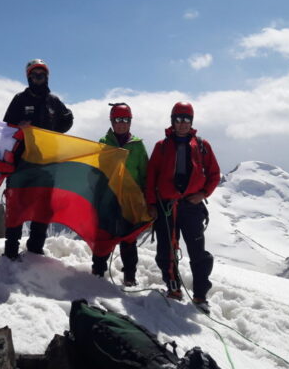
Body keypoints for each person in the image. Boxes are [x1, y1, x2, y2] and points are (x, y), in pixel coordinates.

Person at [145, 102, 220, 311]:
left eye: (186, 119)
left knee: (198, 253)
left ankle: (200, 295)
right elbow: (151, 177)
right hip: (166, 207)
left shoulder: (202, 145)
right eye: (178, 119)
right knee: (166, 250)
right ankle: (173, 288)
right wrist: (151, 204)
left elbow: (214, 174)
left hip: (191, 206)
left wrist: (203, 194)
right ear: (172, 121)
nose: (182, 123)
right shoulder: (161, 146)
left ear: (191, 121)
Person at [3, 59, 74, 259]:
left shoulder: (53, 101)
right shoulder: (19, 99)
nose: (38, 78)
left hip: (46, 164)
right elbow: (5, 127)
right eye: (34, 75)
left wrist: (54, 132)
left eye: (41, 75)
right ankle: (11, 250)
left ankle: (35, 249)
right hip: (21, 163)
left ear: (47, 77)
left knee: (43, 207)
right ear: (29, 77)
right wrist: (19, 128)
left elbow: (68, 118)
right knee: (16, 205)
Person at [91, 102, 148, 286]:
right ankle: (98, 269)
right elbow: (96, 170)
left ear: (130, 122)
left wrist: (145, 198)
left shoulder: (137, 146)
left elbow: (145, 173)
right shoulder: (104, 143)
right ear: (112, 121)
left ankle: (129, 276)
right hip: (108, 197)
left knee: (129, 237)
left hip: (130, 199)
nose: (121, 123)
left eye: (125, 120)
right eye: (117, 120)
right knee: (104, 234)